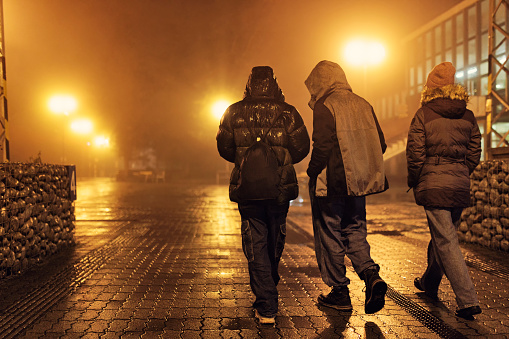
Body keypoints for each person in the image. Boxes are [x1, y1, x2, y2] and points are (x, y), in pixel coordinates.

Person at [216, 66, 310, 324]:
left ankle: (266, 304)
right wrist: (281, 160)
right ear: (274, 84)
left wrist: (245, 158)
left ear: (249, 85)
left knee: (256, 244)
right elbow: (302, 148)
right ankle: (268, 288)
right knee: (275, 238)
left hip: (248, 188)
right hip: (279, 187)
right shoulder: (289, 112)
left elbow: (224, 148)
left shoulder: (233, 112)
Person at [304, 60, 389, 314]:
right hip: (358, 185)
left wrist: (311, 171)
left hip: (331, 184)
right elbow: (380, 144)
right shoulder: (364, 104)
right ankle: (371, 274)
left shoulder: (325, 105)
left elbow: (322, 145)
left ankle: (339, 291)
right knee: (355, 229)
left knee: (329, 233)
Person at [406, 61, 482, 320]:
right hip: (459, 183)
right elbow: (474, 152)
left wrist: (415, 178)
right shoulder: (468, 115)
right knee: (444, 236)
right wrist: (461, 171)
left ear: (430, 89)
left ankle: (467, 300)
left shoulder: (423, 114)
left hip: (434, 183)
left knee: (447, 241)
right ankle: (429, 283)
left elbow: (415, 154)